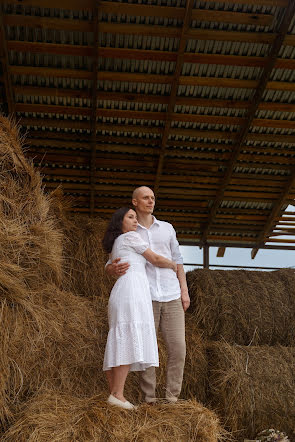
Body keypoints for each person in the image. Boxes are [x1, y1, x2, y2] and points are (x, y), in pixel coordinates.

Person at [106, 186, 190, 404]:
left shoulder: (167, 229)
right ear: (135, 202)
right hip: (145, 295)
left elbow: (178, 260)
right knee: (146, 346)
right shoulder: (129, 231)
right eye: (146, 198)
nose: (151, 201)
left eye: (153, 197)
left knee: (178, 348)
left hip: (171, 293)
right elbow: (111, 262)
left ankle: (172, 398)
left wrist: (184, 290)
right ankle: (149, 398)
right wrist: (110, 269)